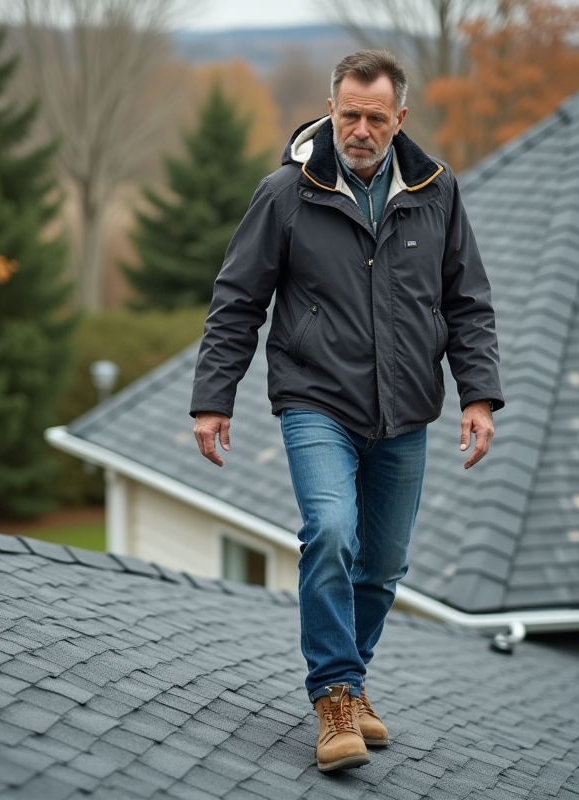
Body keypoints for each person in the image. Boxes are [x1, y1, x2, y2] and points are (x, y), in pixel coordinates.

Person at [190, 50, 503, 773]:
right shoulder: (285, 194)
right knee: (330, 531)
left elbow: (467, 303)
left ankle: (351, 681)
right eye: (347, 114)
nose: (359, 129)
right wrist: (213, 400)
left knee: (384, 566)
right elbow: (238, 301)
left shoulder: (437, 192)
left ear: (400, 118)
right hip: (316, 402)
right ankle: (333, 696)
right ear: (331, 110)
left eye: (374, 116)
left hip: (406, 410)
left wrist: (479, 395)